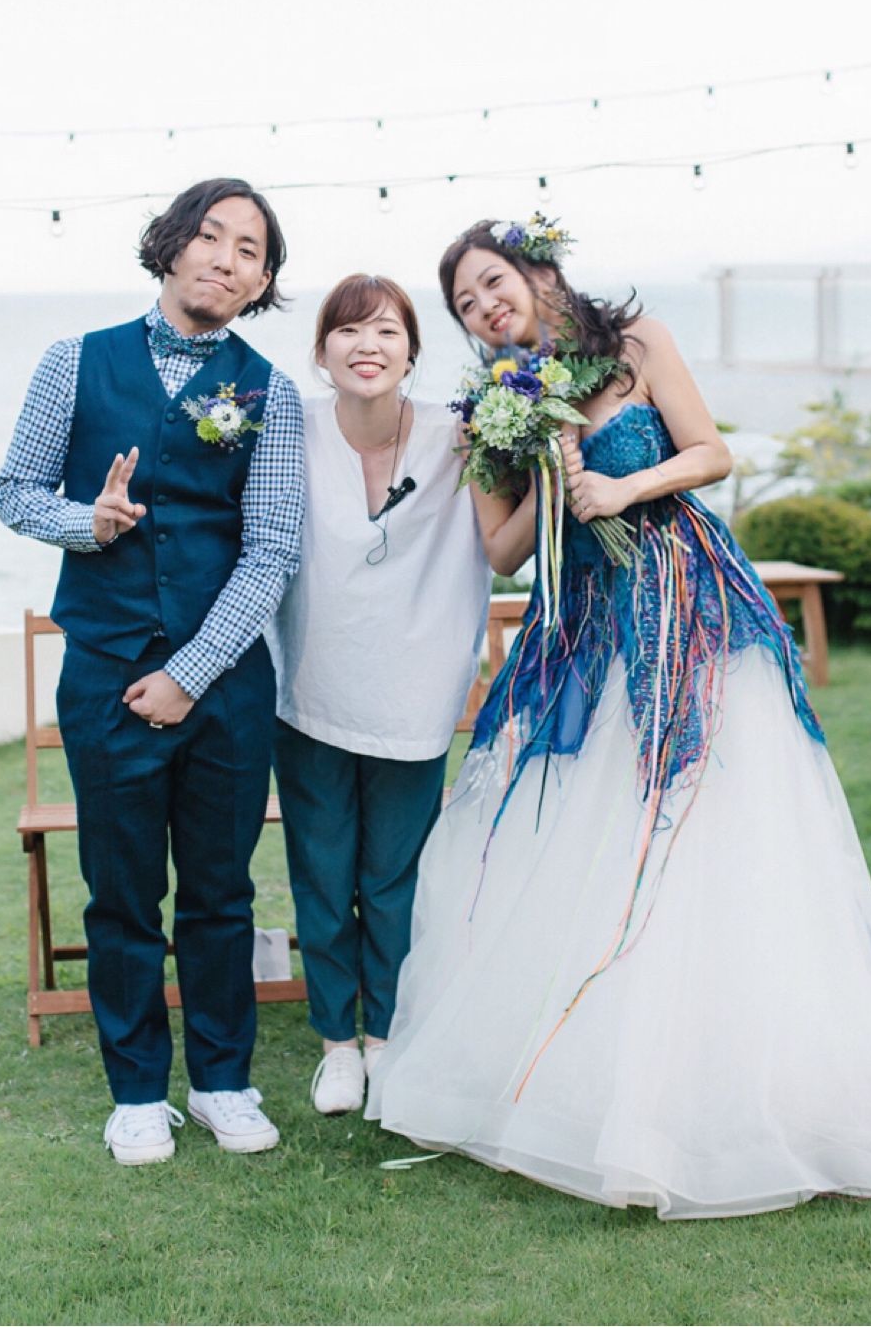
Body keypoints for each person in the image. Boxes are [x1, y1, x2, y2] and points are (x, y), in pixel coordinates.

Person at [367, 215, 871, 1217]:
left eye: (492, 282)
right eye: (465, 303)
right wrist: (552, 470)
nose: (484, 307)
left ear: (537, 270)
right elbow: (501, 551)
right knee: (591, 826)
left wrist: (623, 483)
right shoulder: (490, 411)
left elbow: (711, 452)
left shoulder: (637, 343)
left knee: (718, 818)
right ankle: (587, 1054)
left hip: (690, 602)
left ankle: (737, 1050)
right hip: (587, 627)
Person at [0, 178, 304, 1166]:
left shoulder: (270, 392)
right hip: (105, 672)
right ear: (170, 246)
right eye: (211, 236)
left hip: (224, 687)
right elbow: (14, 490)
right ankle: (135, 1092)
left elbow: (272, 550)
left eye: (250, 250)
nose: (226, 258)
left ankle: (222, 1081)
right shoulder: (74, 361)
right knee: (120, 893)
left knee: (218, 892)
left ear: (260, 282)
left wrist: (193, 672)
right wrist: (86, 522)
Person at [272, 275, 490, 1115]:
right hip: (308, 687)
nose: (368, 345)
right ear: (320, 351)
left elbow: (505, 537)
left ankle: (387, 1040)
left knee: (395, 878)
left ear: (411, 352)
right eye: (349, 330)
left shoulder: (460, 434)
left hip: (414, 694)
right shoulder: (285, 430)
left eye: (387, 331)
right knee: (322, 875)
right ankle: (337, 1044)